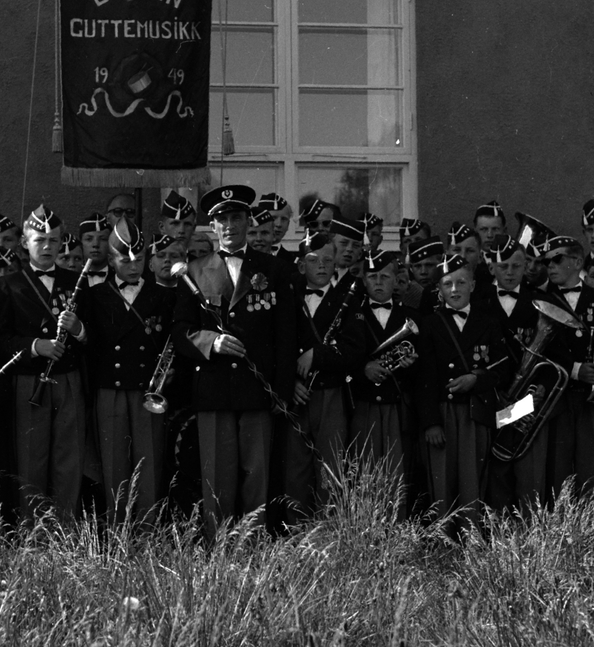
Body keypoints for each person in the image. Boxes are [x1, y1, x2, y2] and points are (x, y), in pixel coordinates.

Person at [172, 185, 296, 539]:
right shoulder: (194, 271)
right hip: (214, 390)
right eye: (222, 219)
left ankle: (253, 544)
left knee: (257, 474)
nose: (230, 225)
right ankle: (220, 546)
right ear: (212, 226)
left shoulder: (273, 269)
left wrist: (281, 392)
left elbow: (286, 336)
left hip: (259, 390)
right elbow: (181, 331)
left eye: (236, 217)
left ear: (247, 220)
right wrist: (213, 342)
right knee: (218, 477)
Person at [0, 205, 88, 520]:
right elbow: (1, 341)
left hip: (67, 378)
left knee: (68, 459)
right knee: (32, 458)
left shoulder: (77, 280)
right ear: (24, 242)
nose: (47, 247)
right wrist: (36, 346)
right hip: (29, 381)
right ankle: (33, 533)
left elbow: (92, 337)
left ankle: (66, 531)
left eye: (53, 240)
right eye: (40, 240)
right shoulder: (10, 284)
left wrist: (79, 329)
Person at [84, 219, 175, 522]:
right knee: (114, 466)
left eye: (139, 258)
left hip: (148, 393)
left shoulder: (163, 297)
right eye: (125, 259)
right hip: (110, 390)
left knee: (149, 464)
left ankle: (149, 534)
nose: (134, 265)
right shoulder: (95, 297)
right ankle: (117, 533)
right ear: (110, 260)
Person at [417, 253, 511, 529]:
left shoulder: (489, 322)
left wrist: (476, 379)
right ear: (440, 290)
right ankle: (442, 539)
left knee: (473, 477)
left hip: (476, 411)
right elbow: (424, 378)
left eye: (461, 282)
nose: (454, 289)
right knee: (441, 478)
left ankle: (472, 538)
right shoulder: (431, 324)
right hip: (443, 412)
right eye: (447, 284)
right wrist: (431, 422)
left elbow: (504, 368)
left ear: (472, 285)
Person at [540, 235, 594, 499]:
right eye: (547, 261)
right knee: (558, 465)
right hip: (557, 397)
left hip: (592, 399)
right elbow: (542, 350)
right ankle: (559, 526)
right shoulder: (540, 299)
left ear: (577, 261)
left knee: (592, 466)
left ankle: (589, 525)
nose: (550, 266)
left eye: (558, 259)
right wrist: (576, 369)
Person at [284, 232, 364, 520]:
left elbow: (354, 350)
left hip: (331, 394)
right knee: (295, 468)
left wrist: (315, 356)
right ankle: (296, 534)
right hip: (296, 395)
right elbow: (277, 346)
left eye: (328, 260)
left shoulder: (348, 298)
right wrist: (289, 381)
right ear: (301, 265)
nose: (321, 265)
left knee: (330, 465)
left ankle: (328, 536)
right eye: (313, 260)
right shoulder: (289, 298)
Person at [348, 249, 417, 516]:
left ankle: (396, 529)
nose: (378, 282)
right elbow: (344, 361)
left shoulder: (411, 316)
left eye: (385, 276)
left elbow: (421, 368)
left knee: (397, 471)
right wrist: (363, 368)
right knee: (364, 470)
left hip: (397, 404)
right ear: (364, 280)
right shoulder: (352, 315)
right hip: (363, 405)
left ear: (396, 280)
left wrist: (412, 363)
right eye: (372, 276)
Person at [482, 237, 549, 511]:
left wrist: (540, 389)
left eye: (516, 266)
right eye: (503, 266)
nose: (510, 272)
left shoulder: (541, 302)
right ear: (491, 268)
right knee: (494, 469)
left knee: (528, 473)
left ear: (526, 267)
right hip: (491, 399)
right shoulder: (477, 299)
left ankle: (529, 534)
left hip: (527, 403)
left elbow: (558, 357)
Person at [258, 192, 295, 261]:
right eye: (273, 218)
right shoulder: (244, 255)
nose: (279, 224)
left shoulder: (293, 261)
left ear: (288, 224)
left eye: (284, 219)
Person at [79, 213, 112, 287]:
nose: (96, 244)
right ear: (81, 243)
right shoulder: (72, 277)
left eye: (103, 239)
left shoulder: (119, 277)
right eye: (89, 239)